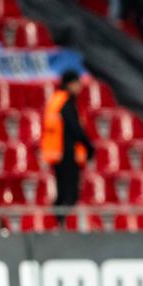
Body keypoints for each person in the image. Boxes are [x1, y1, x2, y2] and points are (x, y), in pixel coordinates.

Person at [41, 70, 94, 208]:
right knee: (69, 194)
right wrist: (89, 146)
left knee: (62, 192)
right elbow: (74, 127)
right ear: (70, 84)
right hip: (67, 153)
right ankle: (61, 224)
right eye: (77, 84)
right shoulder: (66, 102)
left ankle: (58, 223)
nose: (80, 88)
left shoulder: (56, 100)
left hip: (58, 154)